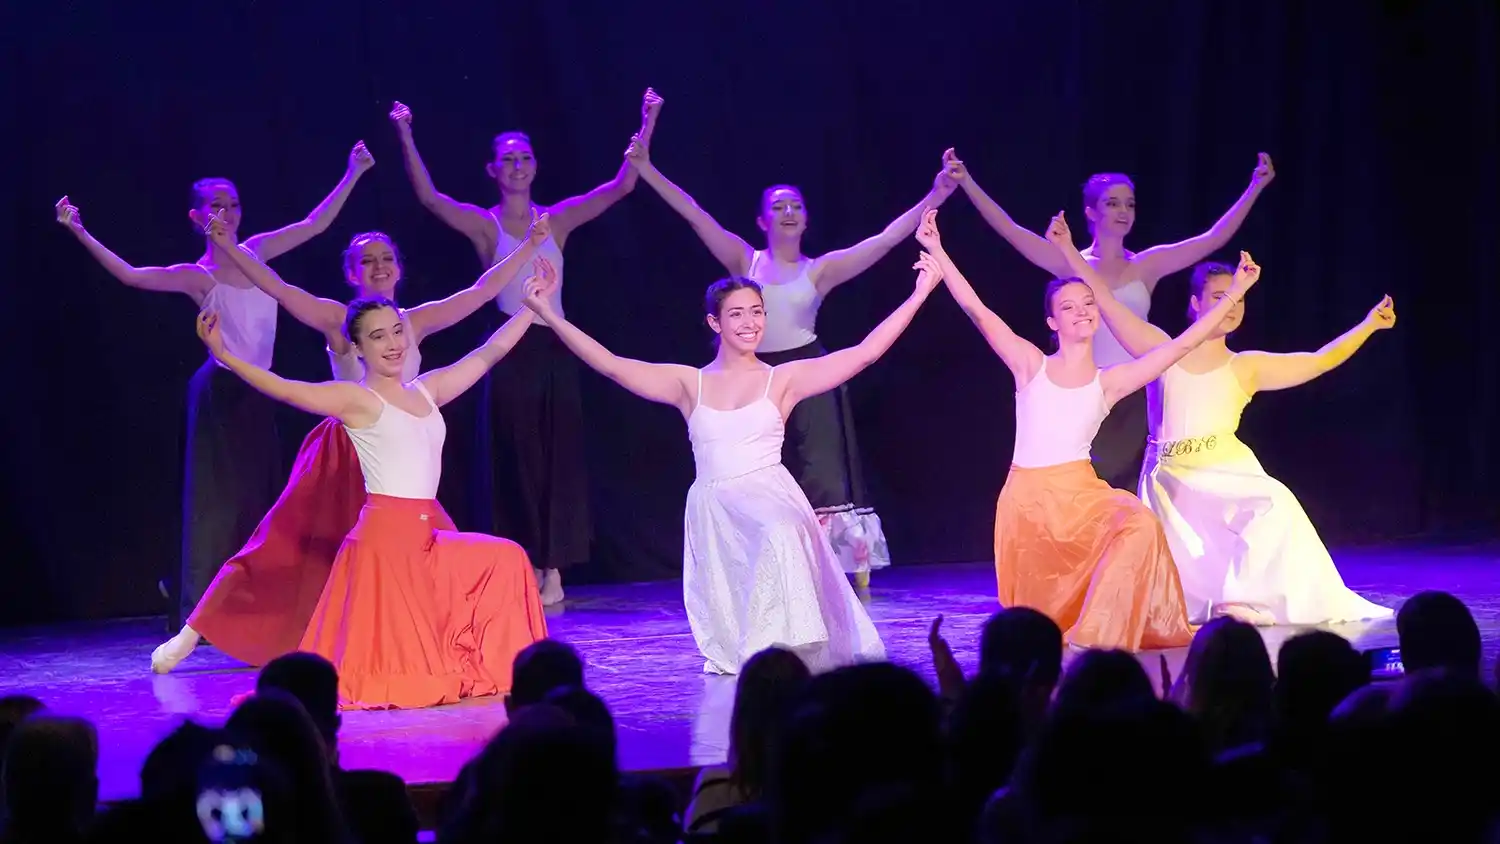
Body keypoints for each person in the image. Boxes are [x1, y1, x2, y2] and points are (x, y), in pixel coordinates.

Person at [149, 214, 552, 673]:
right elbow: (279, 289)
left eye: (386, 259)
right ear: (351, 272)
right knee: (277, 552)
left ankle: (426, 649)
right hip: (345, 450)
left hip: (398, 455)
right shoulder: (338, 319)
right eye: (367, 260)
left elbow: (481, 294)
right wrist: (232, 250)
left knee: (432, 555)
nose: (378, 267)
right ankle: (192, 632)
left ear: (400, 269)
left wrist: (528, 252)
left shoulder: (411, 323)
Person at [514, 244, 944, 674]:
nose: (750, 322)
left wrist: (920, 292)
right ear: (714, 322)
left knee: (781, 530)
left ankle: (792, 649)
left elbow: (865, 353)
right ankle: (765, 661)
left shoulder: (783, 379)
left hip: (769, 495)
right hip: (716, 508)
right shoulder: (690, 383)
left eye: (757, 311)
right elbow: (610, 365)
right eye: (737, 313)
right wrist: (548, 312)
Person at [624, 101, 956, 588]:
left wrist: (937, 193)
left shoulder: (818, 270)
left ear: (806, 219)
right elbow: (694, 215)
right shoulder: (745, 258)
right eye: (777, 206)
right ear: (762, 220)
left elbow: (885, 240)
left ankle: (849, 569)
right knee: (766, 468)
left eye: (795, 205)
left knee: (823, 466)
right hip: (751, 370)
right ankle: (773, 562)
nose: (787, 212)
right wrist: (648, 171)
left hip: (806, 368)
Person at [54, 143, 375, 627]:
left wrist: (353, 171)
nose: (226, 212)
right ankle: (199, 612)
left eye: (233, 204)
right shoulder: (198, 276)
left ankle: (251, 610)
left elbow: (315, 224)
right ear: (197, 215)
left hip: (261, 391)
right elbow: (134, 277)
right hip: (221, 393)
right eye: (215, 205)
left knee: (261, 500)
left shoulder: (258, 252)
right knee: (217, 505)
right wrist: (79, 230)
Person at [918, 208, 1259, 651]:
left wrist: (1234, 294)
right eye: (1068, 307)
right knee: (1036, 628)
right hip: (1031, 504)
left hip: (1083, 496)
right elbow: (976, 310)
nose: (1081, 312)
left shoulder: (1110, 381)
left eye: (1088, 304)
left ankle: (1095, 638)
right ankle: (1082, 635)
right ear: (1051, 322)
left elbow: (1183, 344)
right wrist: (938, 250)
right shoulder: (1030, 365)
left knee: (1138, 523)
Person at [390, 90, 660, 605]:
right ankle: (521, 562)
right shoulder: (485, 224)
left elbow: (623, 185)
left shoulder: (554, 219)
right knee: (517, 458)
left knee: (558, 456)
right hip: (508, 350)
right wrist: (405, 134)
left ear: (535, 167)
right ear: (493, 169)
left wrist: (648, 120)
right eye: (508, 158)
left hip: (554, 347)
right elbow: (430, 198)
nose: (517, 165)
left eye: (525, 157)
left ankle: (552, 566)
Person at [1084, 257, 1397, 626]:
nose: (1230, 306)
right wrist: (1070, 253)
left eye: (1236, 298)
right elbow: (1107, 302)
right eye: (1217, 297)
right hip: (1171, 479)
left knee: (1273, 501)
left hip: (1225, 469)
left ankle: (1244, 599)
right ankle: (1220, 597)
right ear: (1195, 304)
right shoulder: (1163, 348)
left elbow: (1318, 361)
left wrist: (1369, 325)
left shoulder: (1245, 365)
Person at [941, 148, 1275, 491]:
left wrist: (1255, 187)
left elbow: (1213, 239)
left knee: (1132, 494)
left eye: (1129, 204)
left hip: (1137, 391)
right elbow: (1010, 230)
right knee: (1087, 490)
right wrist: (967, 182)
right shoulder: (1069, 260)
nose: (1123, 211)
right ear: (1090, 212)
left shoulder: (1147, 265)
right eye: (1112, 203)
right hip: (1086, 391)